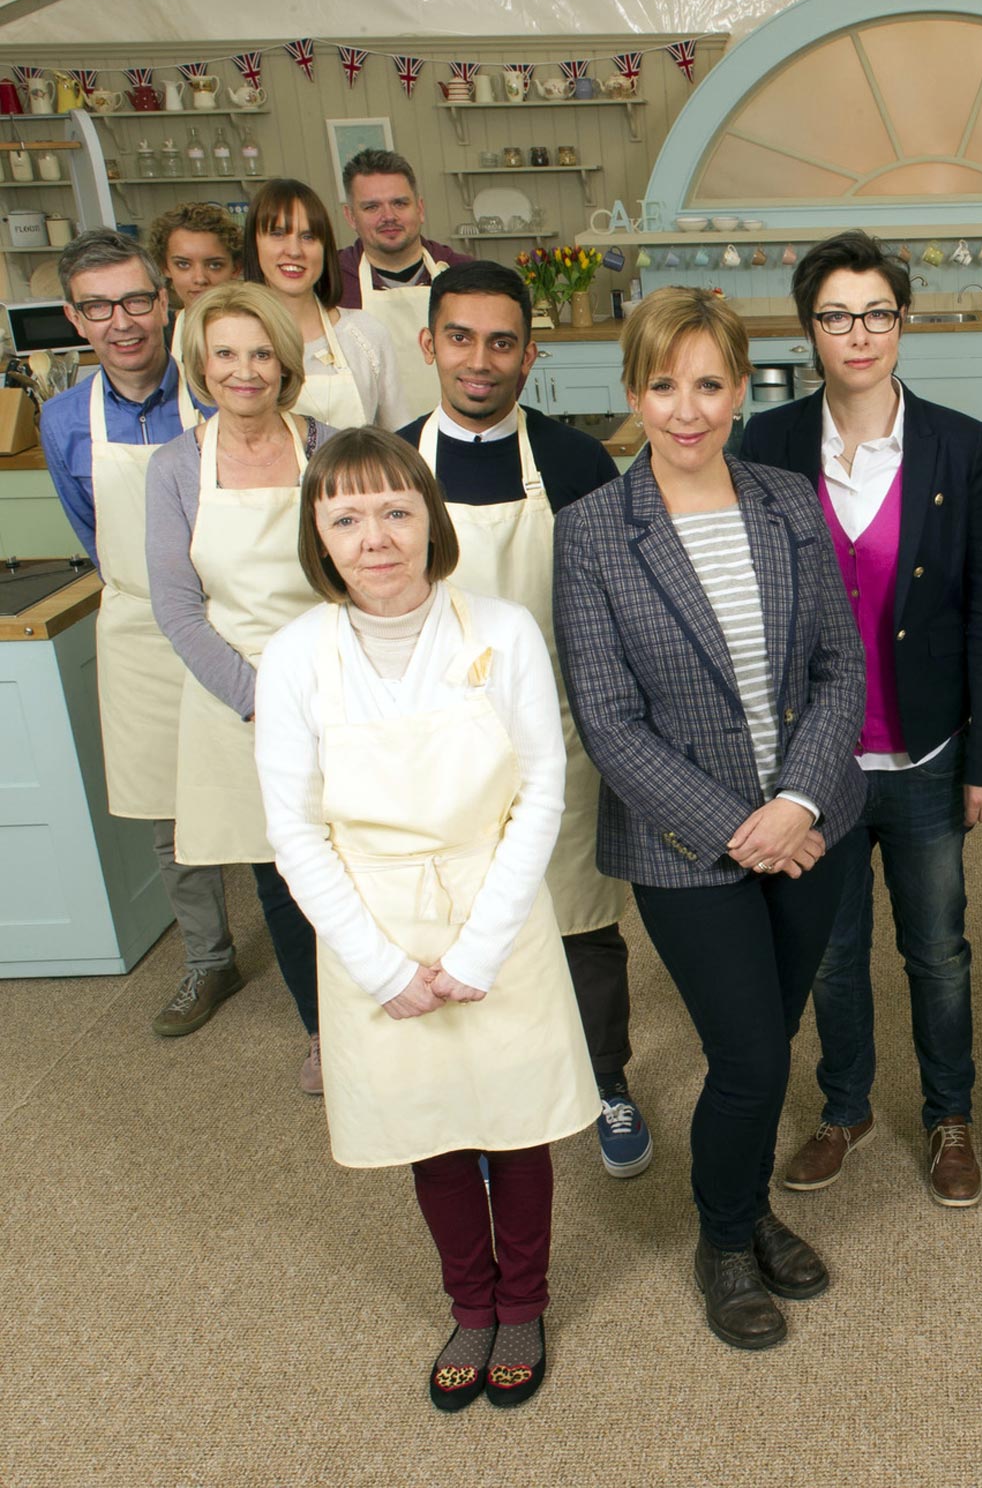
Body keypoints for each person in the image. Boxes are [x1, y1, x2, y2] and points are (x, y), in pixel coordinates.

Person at [255, 427, 596, 1412]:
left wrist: (481, 945)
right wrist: (380, 968)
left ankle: (523, 1302)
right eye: (347, 516)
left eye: (397, 509)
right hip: (369, 919)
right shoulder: (293, 658)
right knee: (433, 1130)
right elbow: (294, 830)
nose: (376, 536)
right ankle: (471, 1304)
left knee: (514, 1121)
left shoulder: (501, 630)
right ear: (318, 535)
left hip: (497, 906)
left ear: (430, 519)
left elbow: (540, 790)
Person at [554, 288, 866, 1351]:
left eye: (707, 383)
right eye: (660, 384)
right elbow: (608, 717)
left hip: (814, 824)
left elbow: (837, 664)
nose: (686, 410)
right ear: (631, 391)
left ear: (741, 387)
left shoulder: (786, 499)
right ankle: (724, 1242)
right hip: (687, 845)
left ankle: (746, 1208)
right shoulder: (593, 530)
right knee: (746, 1056)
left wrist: (798, 802)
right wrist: (748, 827)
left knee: (771, 1039)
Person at [741, 231, 982, 1210]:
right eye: (834, 316)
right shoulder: (765, 445)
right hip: (814, 761)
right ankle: (844, 1106)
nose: (856, 335)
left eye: (876, 314)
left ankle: (948, 1114)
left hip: (928, 750)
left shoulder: (958, 445)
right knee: (830, 948)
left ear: (902, 322)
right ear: (807, 328)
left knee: (936, 947)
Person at [392, 260, 646, 1179]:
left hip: (558, 731)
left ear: (530, 355)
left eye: (502, 342)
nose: (479, 359)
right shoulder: (390, 462)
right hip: (433, 741)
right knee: (452, 920)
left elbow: (614, 603)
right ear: (429, 343)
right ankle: (481, 1091)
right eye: (460, 337)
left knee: (581, 923)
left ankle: (607, 1079)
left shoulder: (575, 463)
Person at [40, 230, 240, 1038]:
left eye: (133, 300)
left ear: (165, 302)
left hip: (226, 616)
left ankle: (314, 965)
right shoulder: (63, 422)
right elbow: (91, 530)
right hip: (136, 628)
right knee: (170, 815)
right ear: (74, 318)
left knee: (267, 793)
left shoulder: (219, 390)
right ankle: (209, 960)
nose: (120, 322)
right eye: (97, 307)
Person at [146, 281, 331, 1089]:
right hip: (237, 702)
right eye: (226, 353)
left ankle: (387, 1016)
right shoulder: (176, 467)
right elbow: (177, 607)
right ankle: (325, 1031)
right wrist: (261, 700)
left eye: (261, 352)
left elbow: (362, 572)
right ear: (200, 364)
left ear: (285, 361)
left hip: (337, 685)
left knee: (363, 861)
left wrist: (332, 691)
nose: (245, 371)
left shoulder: (328, 446)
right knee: (282, 877)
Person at [242, 176, 406, 430]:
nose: (294, 251)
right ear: (254, 244)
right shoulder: (236, 340)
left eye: (308, 237)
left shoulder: (365, 333)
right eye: (277, 234)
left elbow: (398, 437)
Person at [337, 148, 472, 419]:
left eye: (400, 203)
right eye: (371, 207)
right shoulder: (333, 281)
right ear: (351, 216)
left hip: (458, 438)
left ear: (419, 209)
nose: (388, 216)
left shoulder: (464, 273)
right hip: (373, 450)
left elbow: (508, 356)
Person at [148, 202, 241, 312]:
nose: (200, 279)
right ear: (165, 267)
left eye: (214, 265)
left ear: (236, 268)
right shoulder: (163, 326)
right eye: (183, 264)